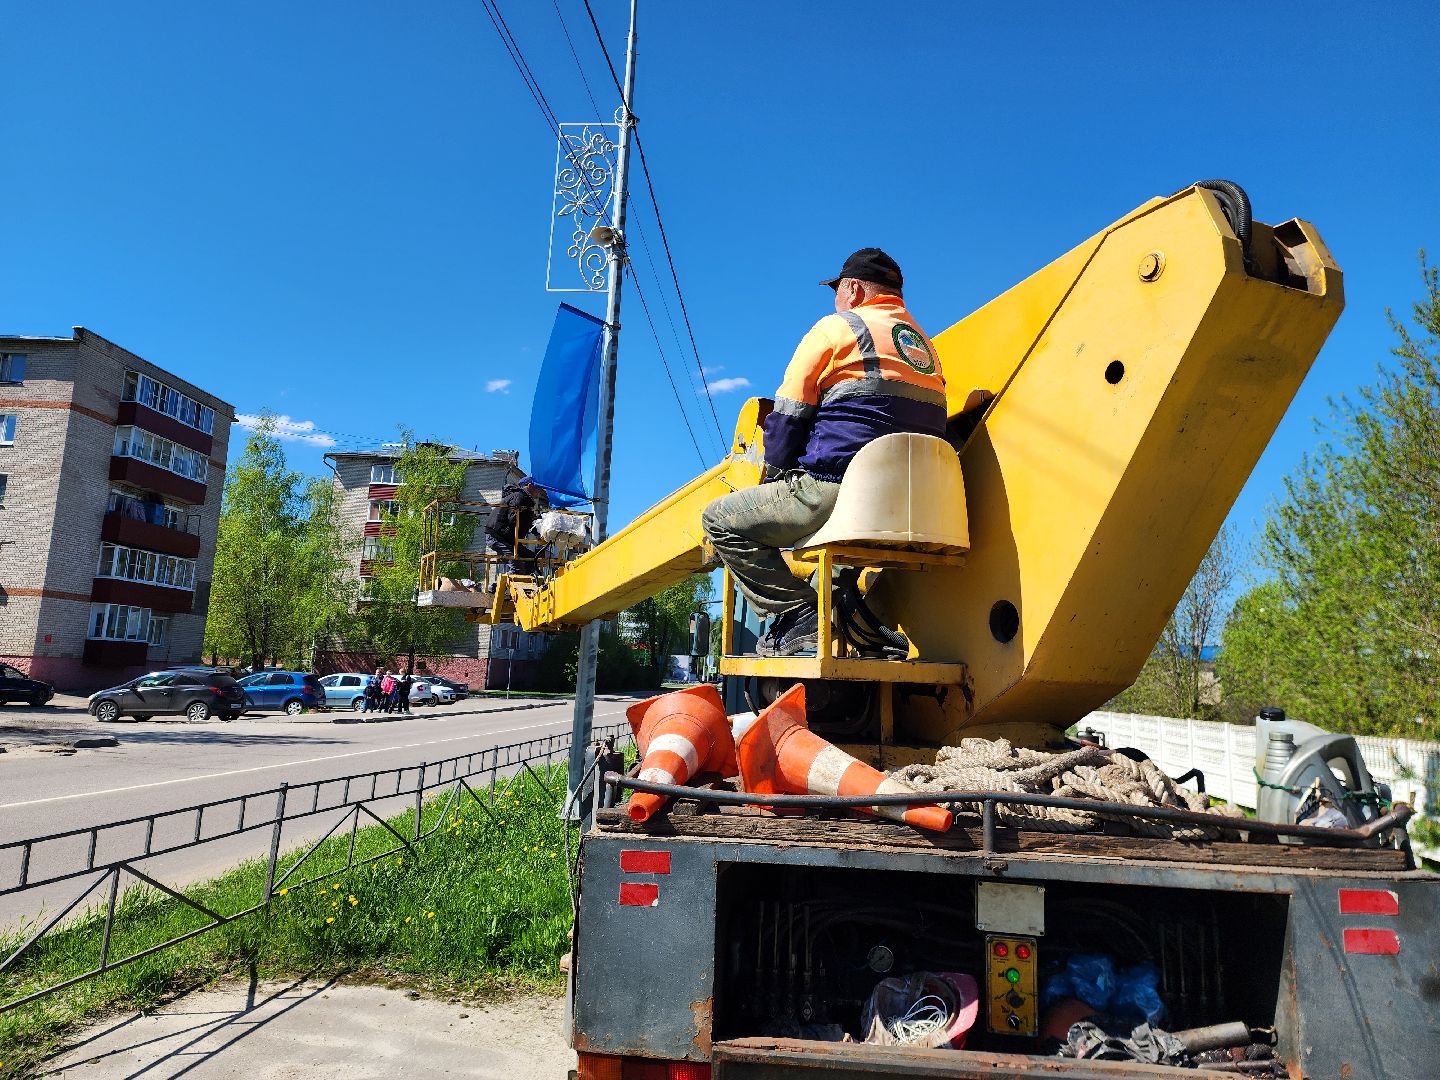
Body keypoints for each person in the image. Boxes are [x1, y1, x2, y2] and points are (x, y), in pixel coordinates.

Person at [701, 248, 947, 657]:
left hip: (843, 492)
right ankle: (853, 622)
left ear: (852, 289)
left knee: (720, 520)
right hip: (916, 505)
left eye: (835, 290)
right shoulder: (924, 348)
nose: (834, 299)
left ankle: (798, 619)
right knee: (834, 563)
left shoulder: (837, 329)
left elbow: (787, 418)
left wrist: (775, 479)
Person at [485, 477, 545, 573]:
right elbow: (514, 518)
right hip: (498, 537)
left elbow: (525, 520)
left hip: (507, 539)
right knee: (517, 568)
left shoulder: (524, 499)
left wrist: (537, 532)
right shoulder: (519, 497)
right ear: (530, 486)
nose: (540, 490)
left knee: (531, 560)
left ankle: (522, 584)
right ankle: (494, 588)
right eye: (538, 487)